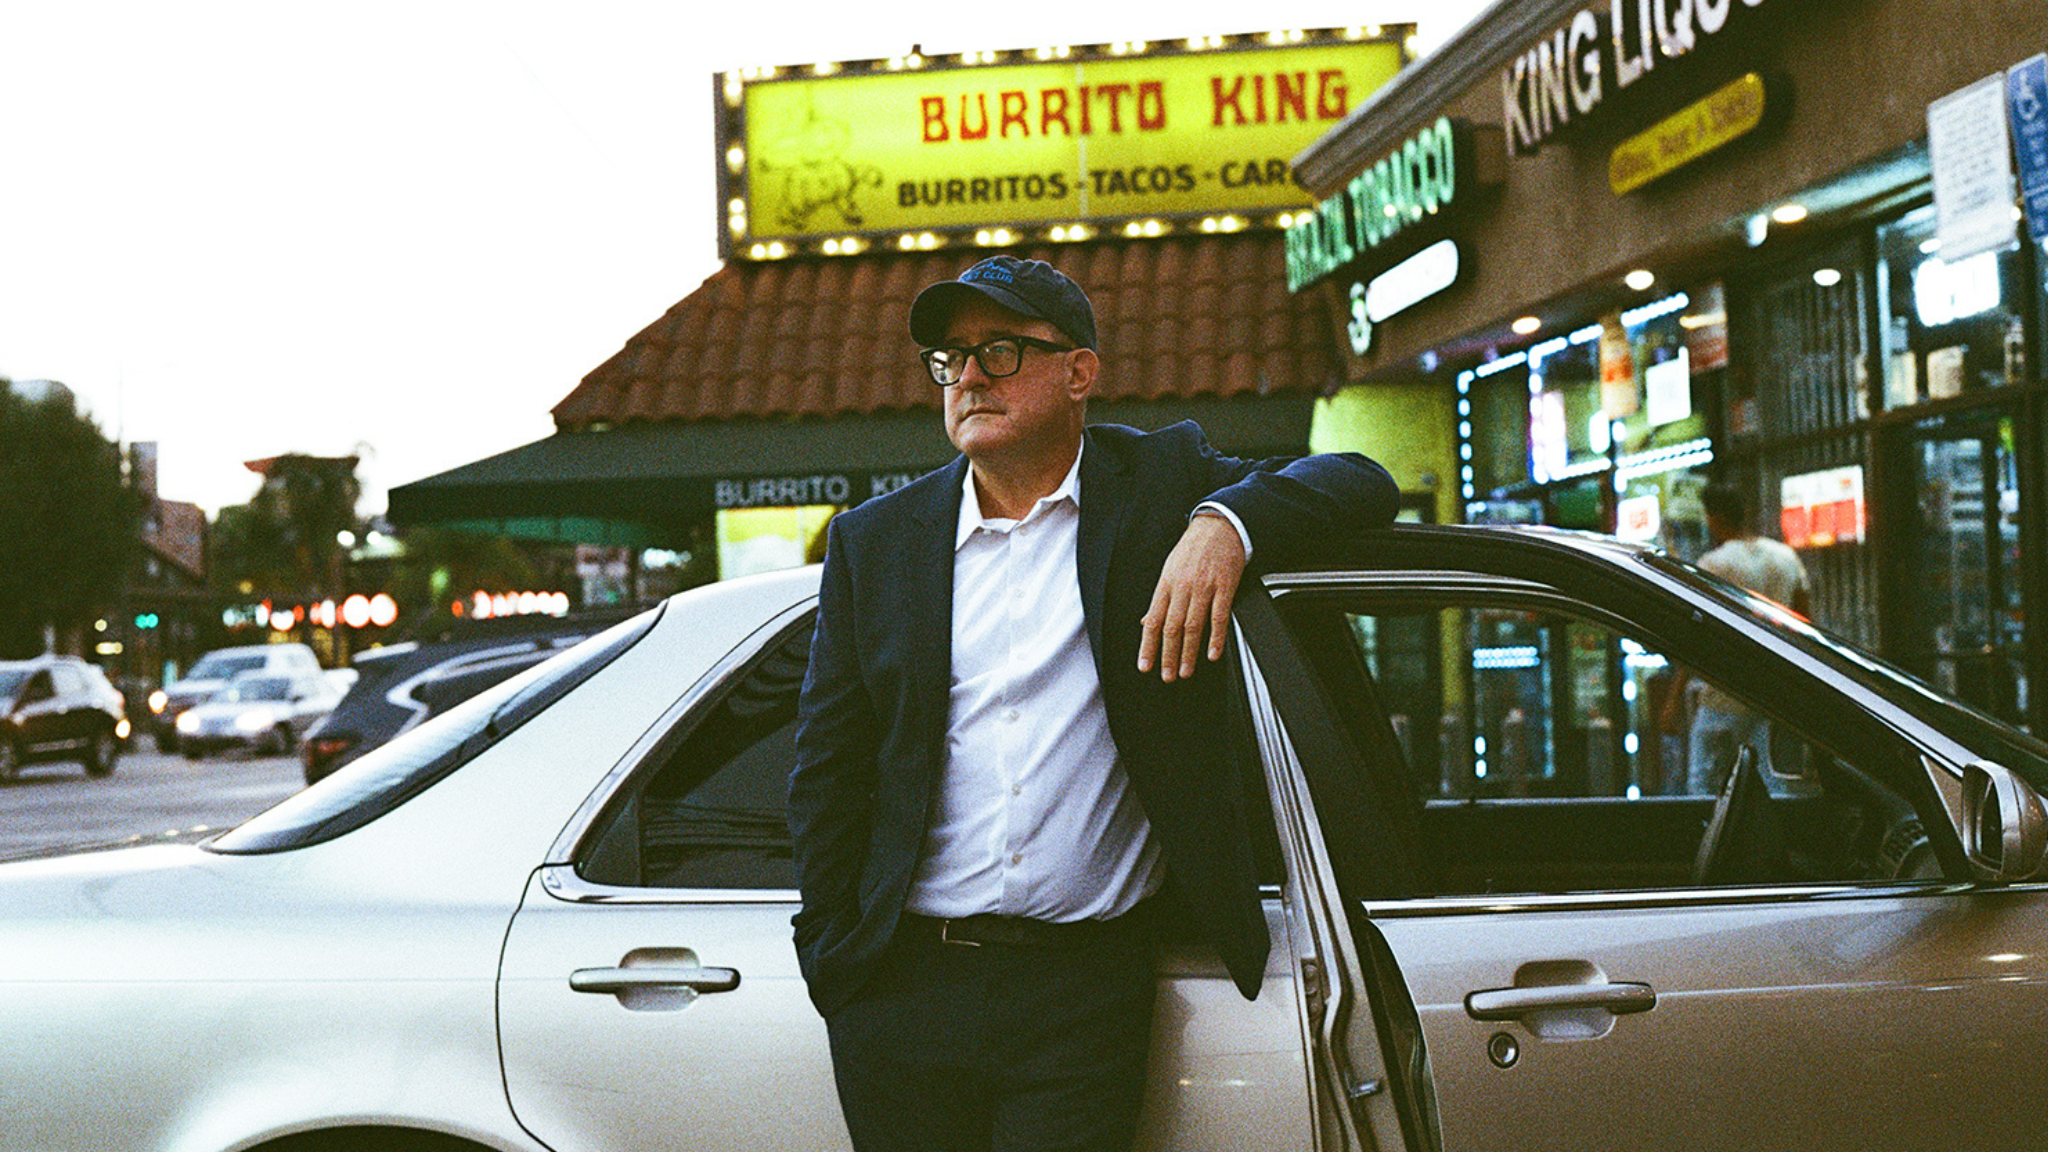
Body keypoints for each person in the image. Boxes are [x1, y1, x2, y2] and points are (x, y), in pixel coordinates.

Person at [788, 255, 1397, 1152]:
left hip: (1084, 990)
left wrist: (1223, 526)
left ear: (1079, 373)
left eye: (999, 352)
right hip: (902, 990)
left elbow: (1361, 480)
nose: (968, 378)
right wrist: (835, 964)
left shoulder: (1159, 486)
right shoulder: (875, 543)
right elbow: (828, 767)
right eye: (950, 359)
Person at [1682, 481, 1812, 793]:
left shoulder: (1712, 564)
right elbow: (1805, 623)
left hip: (1726, 692)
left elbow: (1696, 636)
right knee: (1776, 785)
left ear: (1714, 518)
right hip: (1775, 692)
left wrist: (1675, 697)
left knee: (1706, 786)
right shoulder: (1785, 557)